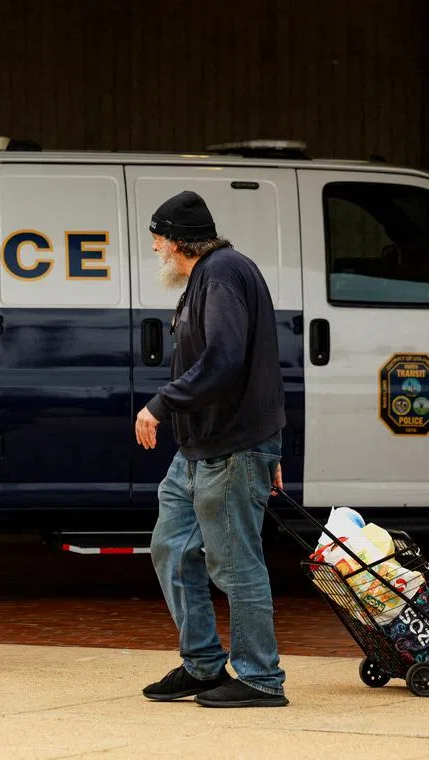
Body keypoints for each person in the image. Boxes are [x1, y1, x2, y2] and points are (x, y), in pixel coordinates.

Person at [136, 190, 288, 708]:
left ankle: (260, 678)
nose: (155, 250)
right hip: (203, 446)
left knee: (234, 563)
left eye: (157, 240)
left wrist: (159, 403)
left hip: (231, 448)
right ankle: (202, 665)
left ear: (178, 242)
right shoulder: (211, 275)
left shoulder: (222, 275)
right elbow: (260, 364)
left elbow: (226, 360)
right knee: (172, 549)